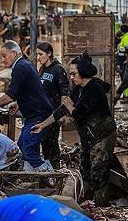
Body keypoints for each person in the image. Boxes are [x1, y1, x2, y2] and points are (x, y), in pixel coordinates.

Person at [32, 53, 116, 206]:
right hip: (88, 137)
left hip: (102, 136)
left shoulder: (94, 89)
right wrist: (43, 124)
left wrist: (69, 105)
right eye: (70, 73)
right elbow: (62, 110)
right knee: (84, 170)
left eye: (73, 73)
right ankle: (87, 203)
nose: (71, 77)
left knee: (99, 175)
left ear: (83, 72)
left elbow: (77, 113)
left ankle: (102, 208)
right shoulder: (78, 89)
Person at [0, 41, 53, 171]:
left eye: (4, 56)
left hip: (38, 116)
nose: (3, 60)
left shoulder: (20, 67)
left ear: (14, 53)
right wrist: (19, 104)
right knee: (21, 147)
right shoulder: (24, 64)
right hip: (35, 114)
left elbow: (10, 95)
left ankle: (51, 178)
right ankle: (30, 176)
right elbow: (29, 90)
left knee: (28, 150)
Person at [36, 41, 69, 169]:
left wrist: (62, 114)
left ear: (49, 54)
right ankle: (47, 170)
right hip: (42, 114)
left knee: (52, 143)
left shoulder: (58, 69)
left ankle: (55, 171)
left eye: (41, 54)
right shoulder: (42, 69)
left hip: (54, 114)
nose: (38, 58)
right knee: (44, 143)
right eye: (37, 55)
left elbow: (64, 92)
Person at [117, 24, 128, 104]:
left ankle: (127, 97)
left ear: (122, 30)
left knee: (125, 80)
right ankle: (125, 96)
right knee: (123, 80)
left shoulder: (127, 38)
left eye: (120, 29)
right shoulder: (125, 37)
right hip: (123, 62)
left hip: (125, 62)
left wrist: (126, 60)